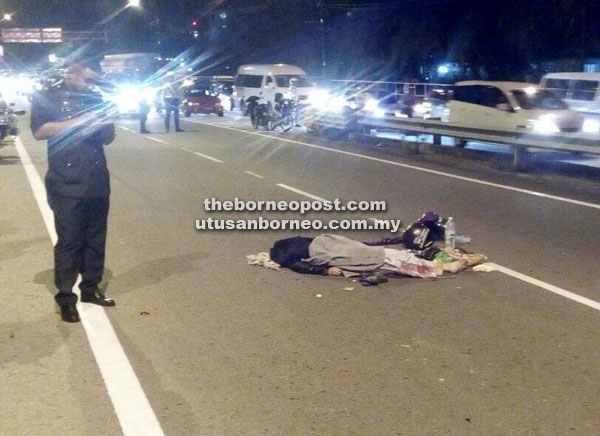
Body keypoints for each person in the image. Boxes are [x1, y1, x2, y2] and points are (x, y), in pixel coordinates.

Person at [30, 59, 117, 323]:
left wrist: (105, 120)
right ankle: (66, 298)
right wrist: (80, 121)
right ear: (71, 73)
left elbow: (108, 138)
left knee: (95, 240)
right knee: (70, 241)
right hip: (66, 181)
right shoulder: (47, 97)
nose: (89, 84)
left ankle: (90, 289)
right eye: (85, 78)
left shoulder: (96, 98)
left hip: (97, 180)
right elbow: (40, 131)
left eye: (92, 80)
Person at [270, 234, 445, 279]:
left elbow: (299, 265)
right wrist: (325, 270)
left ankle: (425, 266)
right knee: (373, 256)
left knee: (373, 256)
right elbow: (300, 266)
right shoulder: (287, 251)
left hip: (327, 247)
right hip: (327, 245)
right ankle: (426, 267)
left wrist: (324, 270)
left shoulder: (284, 254)